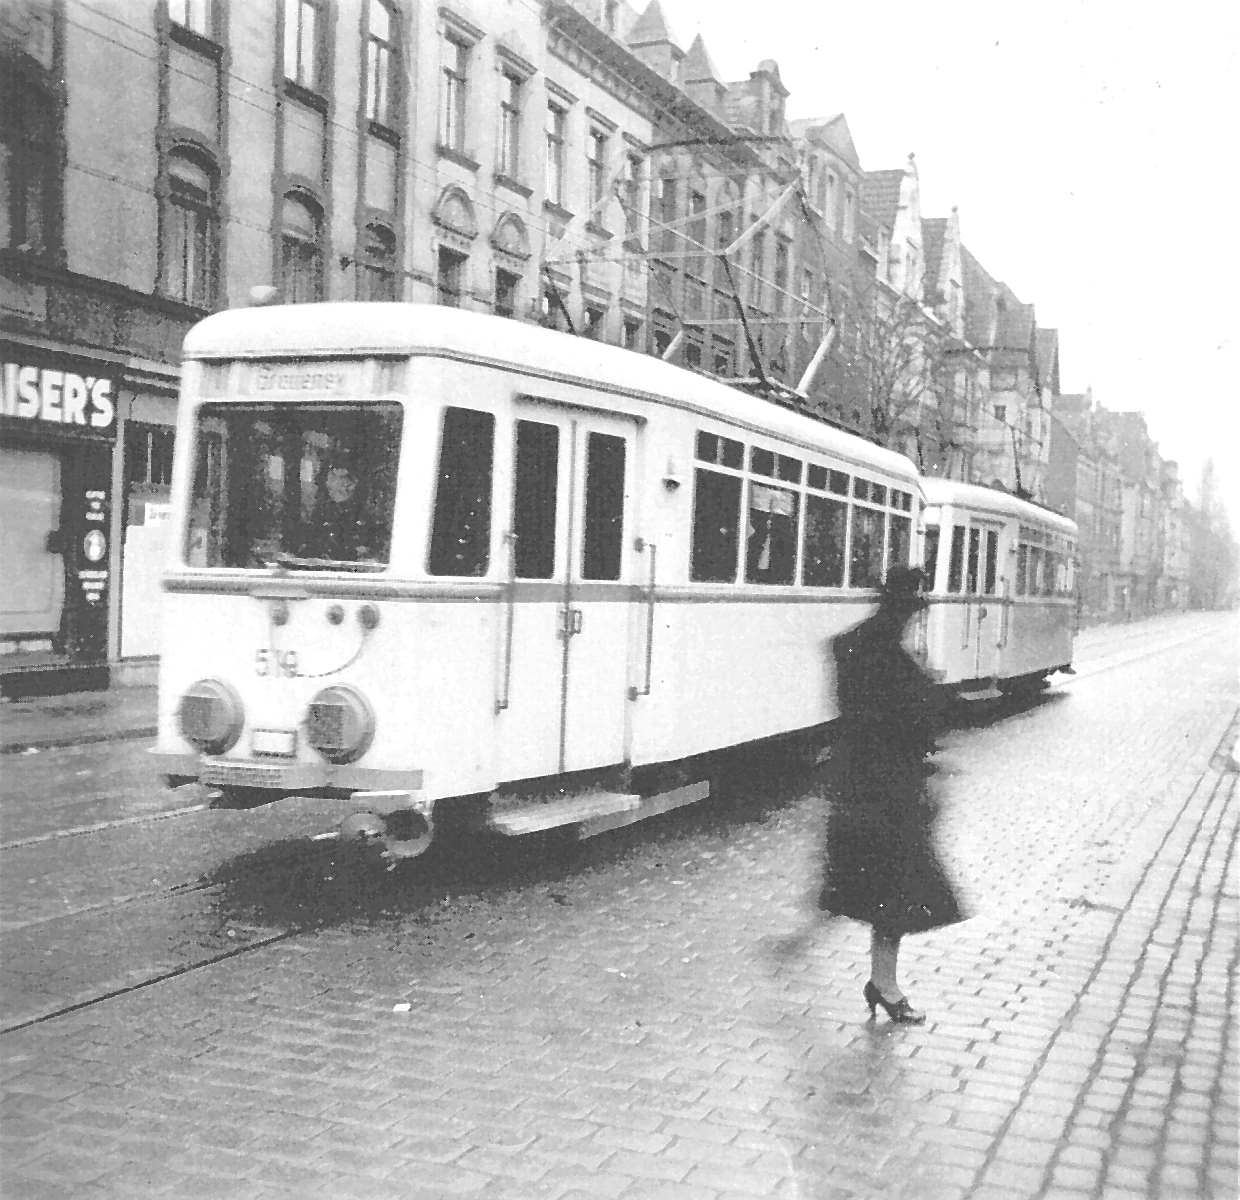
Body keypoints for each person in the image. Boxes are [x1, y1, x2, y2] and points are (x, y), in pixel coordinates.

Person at [817, 565, 965, 1024]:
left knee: (879, 891)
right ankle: (884, 983)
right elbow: (897, 721)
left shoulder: (857, 646)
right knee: (893, 892)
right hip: (886, 792)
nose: (916, 618)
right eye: (915, 609)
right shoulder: (888, 656)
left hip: (867, 785)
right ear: (903, 609)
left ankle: (882, 981)